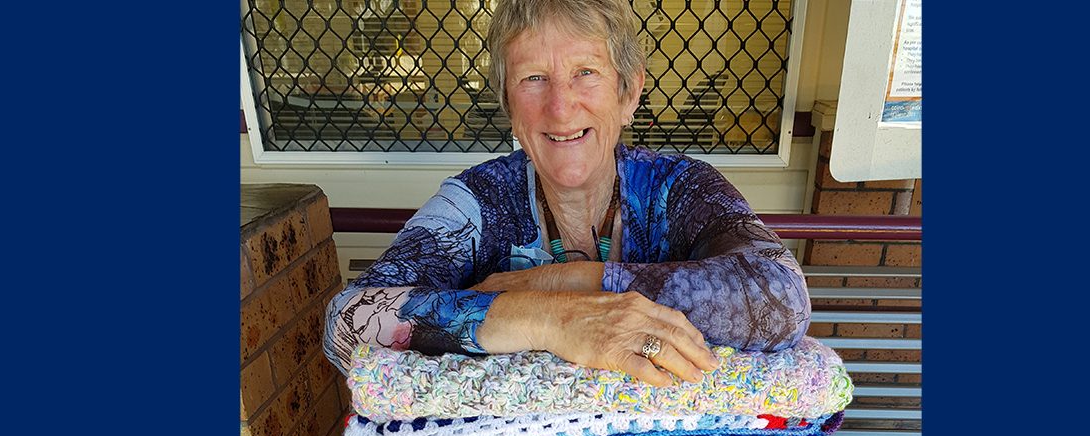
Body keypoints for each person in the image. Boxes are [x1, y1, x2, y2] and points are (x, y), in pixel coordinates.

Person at [323, 0, 811, 388]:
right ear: (508, 102)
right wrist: (551, 319)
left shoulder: (680, 188)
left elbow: (783, 298)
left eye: (586, 72)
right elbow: (347, 322)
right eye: (533, 78)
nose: (560, 106)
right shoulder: (477, 200)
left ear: (629, 92)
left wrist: (568, 281)